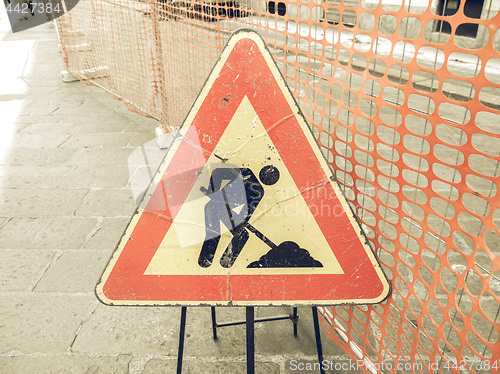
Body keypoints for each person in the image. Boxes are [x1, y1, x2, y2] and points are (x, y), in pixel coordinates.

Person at [198, 165, 279, 268]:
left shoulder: (258, 191)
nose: (268, 178)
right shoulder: (245, 172)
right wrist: (213, 189)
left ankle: (225, 263)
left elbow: (247, 213)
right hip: (215, 206)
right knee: (214, 228)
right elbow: (217, 173)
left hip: (224, 209)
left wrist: (241, 221)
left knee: (241, 234)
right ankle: (205, 260)